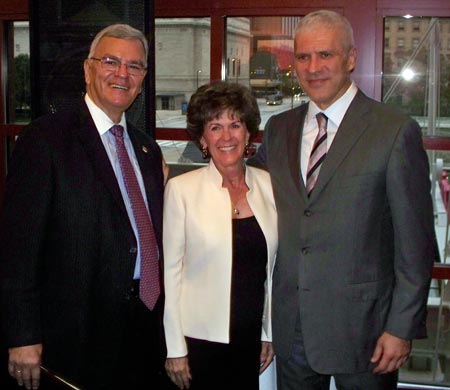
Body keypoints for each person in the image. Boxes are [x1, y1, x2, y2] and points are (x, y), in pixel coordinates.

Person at [248, 10, 437, 390]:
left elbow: (415, 244)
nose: (313, 67)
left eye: (326, 55)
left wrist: (401, 328)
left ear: (350, 59)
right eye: (303, 57)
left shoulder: (394, 131)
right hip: (292, 328)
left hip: (366, 332)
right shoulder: (279, 129)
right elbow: (244, 185)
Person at [0, 24, 169, 389]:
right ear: (88, 69)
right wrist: (22, 335)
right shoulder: (44, 140)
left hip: (143, 328)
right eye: (110, 61)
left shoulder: (147, 150)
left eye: (135, 66)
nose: (122, 74)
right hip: (74, 336)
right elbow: (17, 250)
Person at [163, 81, 277, 390]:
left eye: (234, 125)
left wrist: (267, 332)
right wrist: (175, 349)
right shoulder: (181, 190)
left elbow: (272, 272)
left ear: (248, 133)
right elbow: (171, 274)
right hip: (199, 342)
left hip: (251, 337)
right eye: (215, 127)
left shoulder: (268, 186)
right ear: (202, 138)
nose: (226, 136)